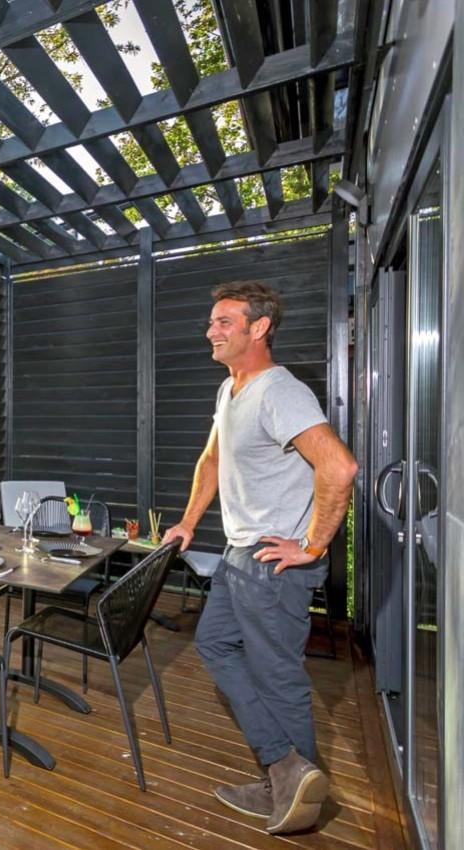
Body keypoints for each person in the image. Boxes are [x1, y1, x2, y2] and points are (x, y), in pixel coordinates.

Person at [162, 281, 357, 835]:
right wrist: (189, 522)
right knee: (214, 643)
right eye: (212, 321)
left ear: (259, 327)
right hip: (238, 553)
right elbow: (211, 460)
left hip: (273, 563)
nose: (211, 331)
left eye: (225, 321)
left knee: (277, 677)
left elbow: (338, 468)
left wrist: (313, 544)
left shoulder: (280, 391)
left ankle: (300, 795)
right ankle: (283, 770)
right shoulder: (232, 391)